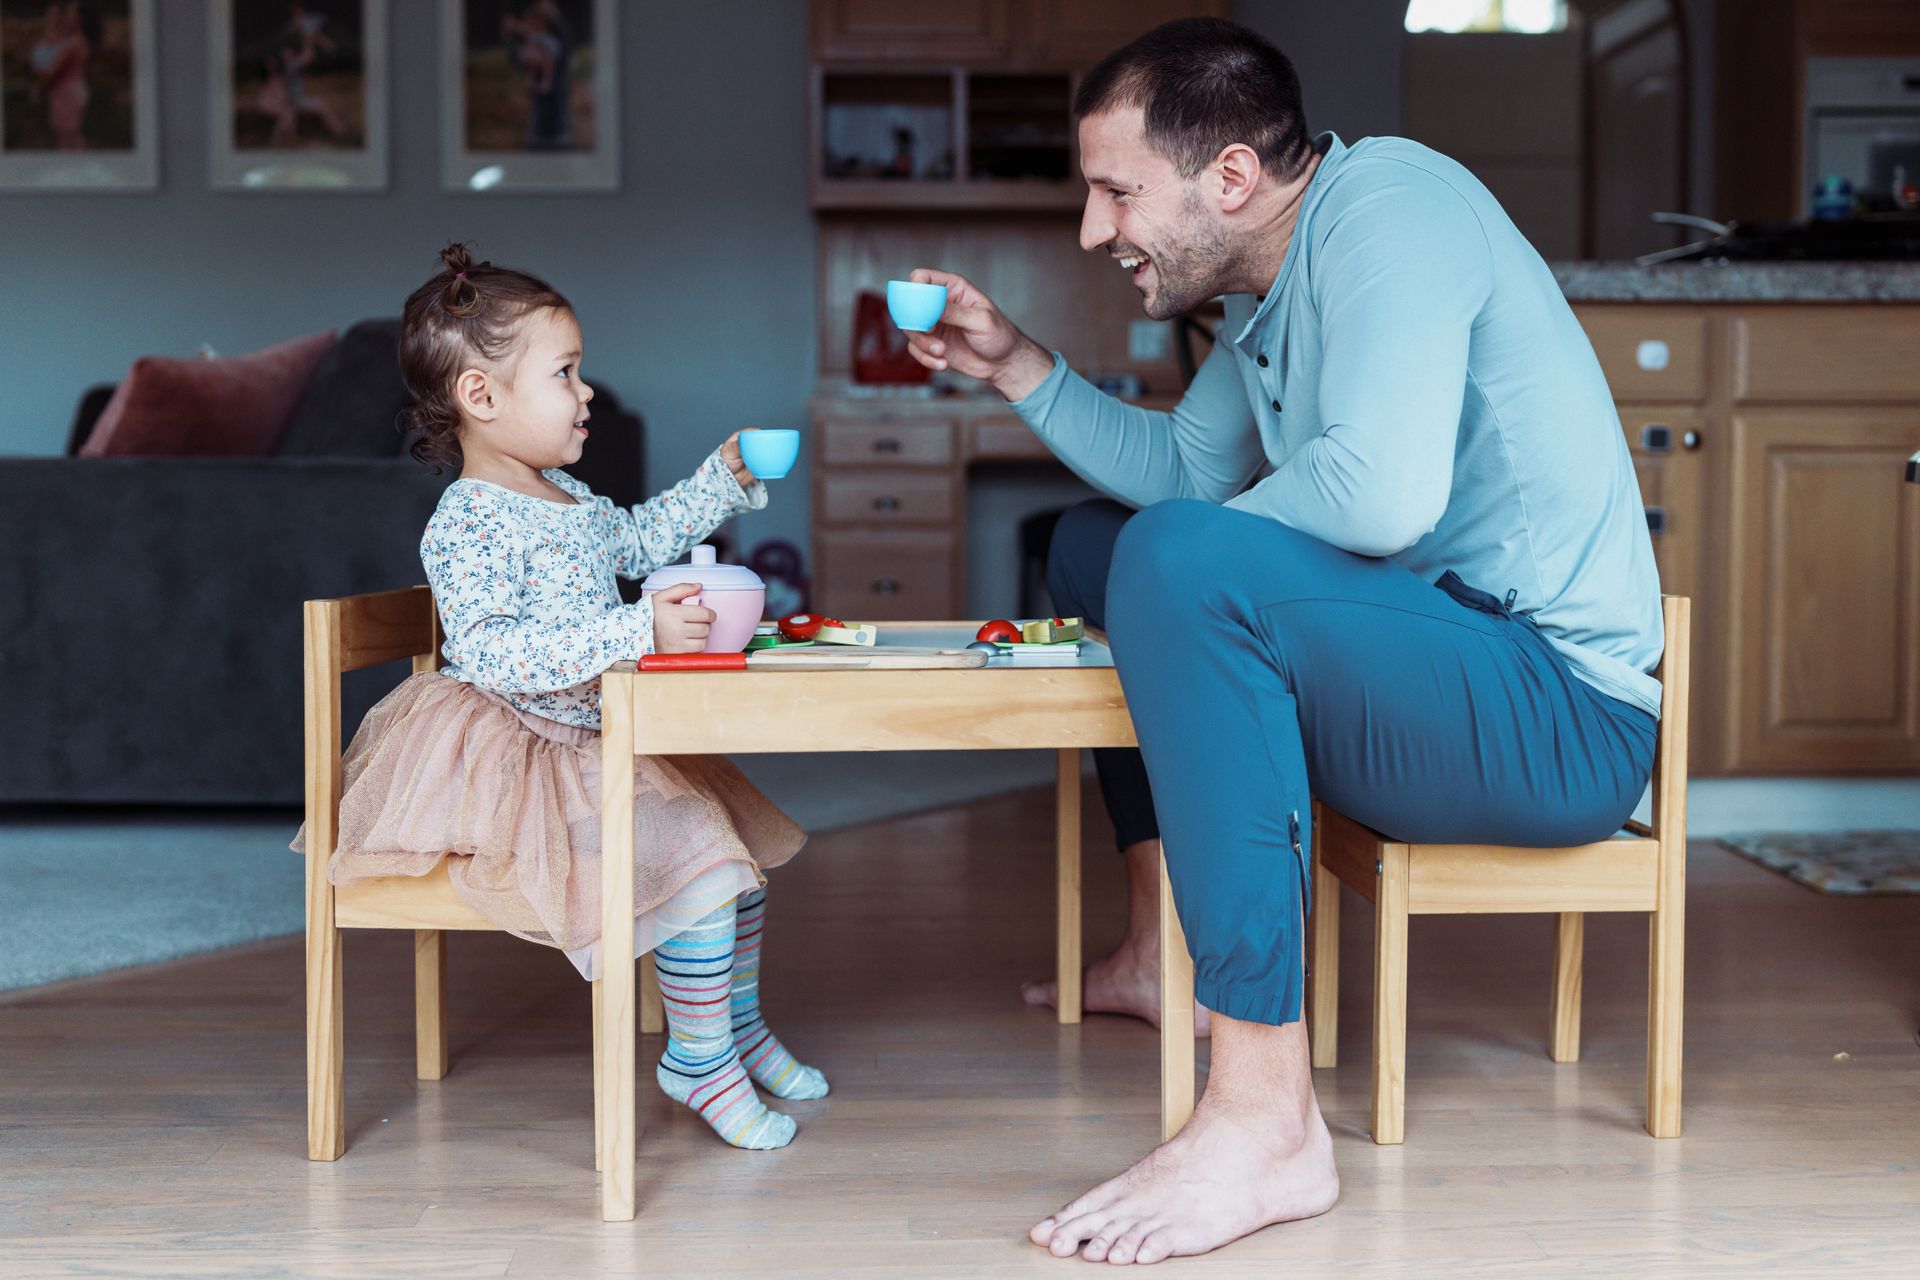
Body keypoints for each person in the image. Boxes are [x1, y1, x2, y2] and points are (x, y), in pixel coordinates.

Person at [906, 17, 1663, 1265]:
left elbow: (1379, 497)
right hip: (1437, 667)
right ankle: (1162, 951)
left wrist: (1188, 574)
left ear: (1234, 178)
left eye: (1114, 192)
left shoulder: (1394, 207)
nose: (1094, 232)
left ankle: (1265, 1114)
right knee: (1107, 542)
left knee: (1175, 561)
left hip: (1559, 711)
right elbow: (1180, 472)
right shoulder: (1268, 289)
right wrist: (1017, 368)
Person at [291, 243, 827, 1151]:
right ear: (482, 398)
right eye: (566, 373)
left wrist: (721, 482)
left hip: (591, 733)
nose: (586, 393)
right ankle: (696, 1059)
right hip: (513, 753)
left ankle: (732, 1032)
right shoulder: (466, 521)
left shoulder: (567, 496)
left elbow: (641, 539)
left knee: (738, 866)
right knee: (702, 861)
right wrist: (635, 633)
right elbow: (499, 653)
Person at [29, 2, 94, 152]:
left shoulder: (73, 43)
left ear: (79, 18)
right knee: (69, 137)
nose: (67, 18)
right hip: (70, 92)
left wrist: (38, 88)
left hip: (68, 95)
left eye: (70, 14)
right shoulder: (78, 40)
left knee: (67, 139)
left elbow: (52, 71)